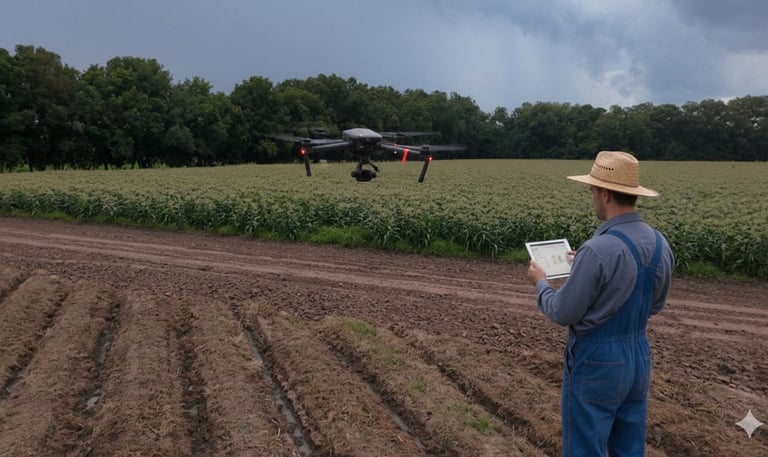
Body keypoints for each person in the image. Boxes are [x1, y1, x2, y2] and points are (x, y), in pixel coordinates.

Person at [526, 151, 674, 456]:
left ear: (605, 194)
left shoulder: (598, 250)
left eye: (592, 190)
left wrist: (540, 283)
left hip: (597, 362)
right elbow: (655, 305)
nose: (591, 196)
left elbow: (562, 310)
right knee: (629, 448)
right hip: (638, 358)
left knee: (585, 448)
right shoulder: (660, 243)